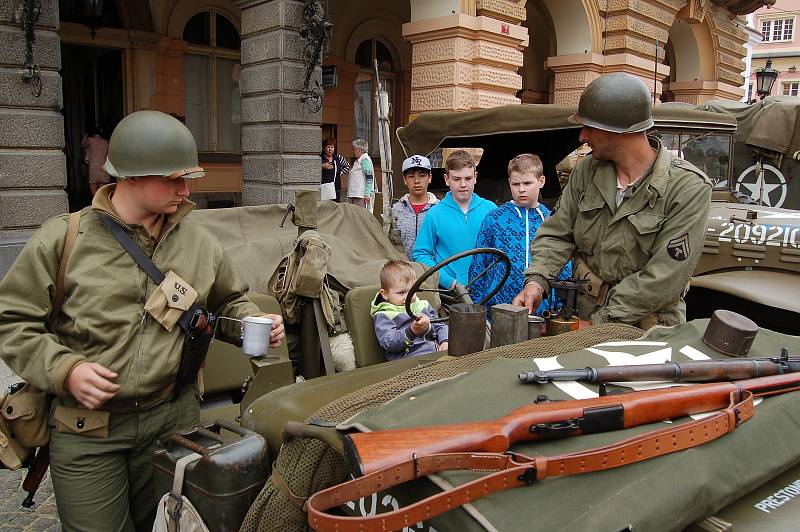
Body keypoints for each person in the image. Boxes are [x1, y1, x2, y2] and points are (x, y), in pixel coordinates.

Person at [0, 110, 285, 532]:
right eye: (172, 179)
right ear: (129, 177)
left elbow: (228, 301)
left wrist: (250, 321)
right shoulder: (64, 239)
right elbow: (14, 322)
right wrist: (66, 368)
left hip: (172, 422)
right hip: (88, 431)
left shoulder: (199, 241)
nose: (185, 190)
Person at [512, 73, 712, 328]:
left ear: (620, 131)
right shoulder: (588, 171)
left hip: (647, 327)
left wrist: (598, 324)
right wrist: (536, 282)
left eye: (591, 128)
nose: (582, 136)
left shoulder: (687, 188)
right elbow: (557, 233)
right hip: (583, 311)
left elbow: (663, 278)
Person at [469, 153, 572, 314]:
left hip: (542, 309)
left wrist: (560, 305)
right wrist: (477, 305)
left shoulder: (551, 220)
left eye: (527, 183)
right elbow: (479, 264)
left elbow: (563, 264)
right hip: (498, 306)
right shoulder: (494, 219)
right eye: (516, 184)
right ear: (509, 183)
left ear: (541, 181)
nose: (521, 189)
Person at [412, 150, 495, 289]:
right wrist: (449, 282)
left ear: (475, 177)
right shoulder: (435, 214)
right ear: (446, 179)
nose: (463, 184)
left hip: (487, 288)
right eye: (456, 179)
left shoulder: (490, 210)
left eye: (468, 178)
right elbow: (421, 254)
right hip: (450, 294)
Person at [371, 259, 448, 360]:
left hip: (435, 352)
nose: (408, 297)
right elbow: (388, 342)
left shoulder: (422, 306)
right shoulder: (384, 314)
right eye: (401, 293)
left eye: (412, 291)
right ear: (385, 294)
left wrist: (445, 340)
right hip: (409, 360)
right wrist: (411, 331)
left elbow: (439, 325)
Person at [392, 155, 438, 258]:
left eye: (422, 175)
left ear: (429, 178)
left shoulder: (440, 210)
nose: (417, 181)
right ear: (404, 179)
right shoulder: (394, 211)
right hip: (402, 271)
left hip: (433, 271)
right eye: (411, 176)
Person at [81, 124, 110, 197]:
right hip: (103, 166)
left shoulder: (90, 140)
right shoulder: (106, 142)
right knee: (102, 186)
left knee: (93, 184)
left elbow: (82, 145)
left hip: (93, 166)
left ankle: (95, 200)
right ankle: (101, 201)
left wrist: (86, 135)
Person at [320, 137, 350, 202]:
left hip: (336, 187)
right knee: (324, 207)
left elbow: (347, 166)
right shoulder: (320, 158)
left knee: (335, 207)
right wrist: (321, 166)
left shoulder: (338, 158)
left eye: (332, 147)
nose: (330, 149)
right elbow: (313, 169)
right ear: (324, 148)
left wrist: (338, 172)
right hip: (324, 187)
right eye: (328, 147)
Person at [348, 138, 374, 208]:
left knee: (359, 216)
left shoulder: (365, 160)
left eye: (355, 149)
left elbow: (369, 178)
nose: (354, 151)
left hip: (360, 195)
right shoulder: (358, 161)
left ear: (360, 150)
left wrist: (367, 194)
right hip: (355, 194)